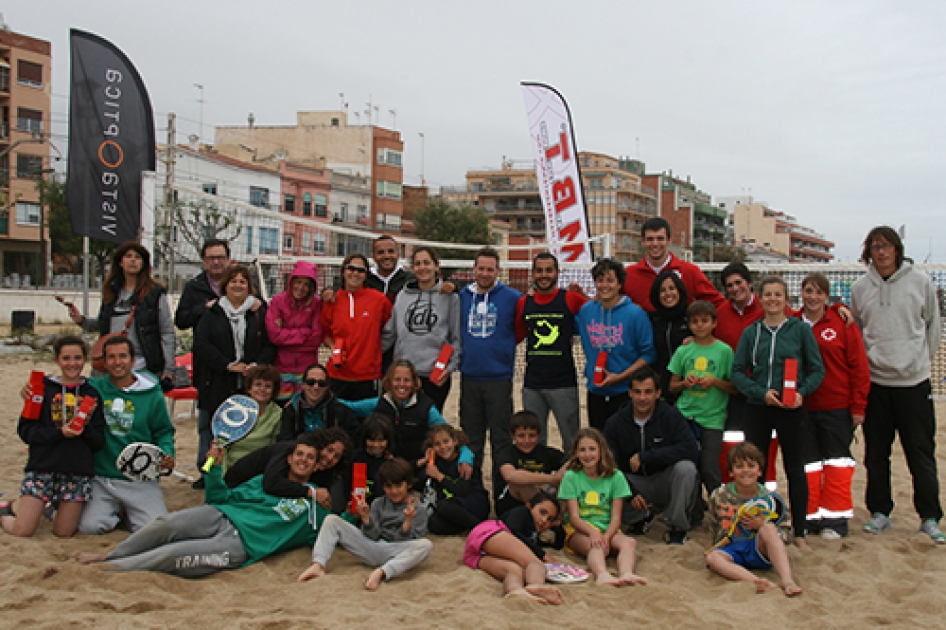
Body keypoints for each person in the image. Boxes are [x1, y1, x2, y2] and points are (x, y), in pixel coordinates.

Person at [71, 436, 330, 577]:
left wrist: (359, 515)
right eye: (299, 455)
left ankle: (110, 570)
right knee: (167, 524)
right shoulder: (264, 480)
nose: (303, 461)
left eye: (310, 458)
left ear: (317, 466)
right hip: (223, 514)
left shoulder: (316, 508)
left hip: (242, 545)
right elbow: (219, 499)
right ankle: (110, 555)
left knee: (174, 554)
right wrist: (214, 470)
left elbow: (336, 530)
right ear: (289, 458)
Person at [850, 226, 944, 543]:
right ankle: (880, 513)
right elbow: (858, 332)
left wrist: (920, 361)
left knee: (921, 452)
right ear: (868, 251)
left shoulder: (920, 282)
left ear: (897, 249)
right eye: (875, 246)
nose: (881, 251)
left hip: (914, 382)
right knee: (876, 453)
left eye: (886, 245)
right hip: (877, 382)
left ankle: (929, 517)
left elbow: (933, 325)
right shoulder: (861, 287)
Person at [731, 276, 825, 548]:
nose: (772, 299)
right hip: (759, 409)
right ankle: (755, 525)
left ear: (786, 299)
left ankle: (799, 532)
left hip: (791, 410)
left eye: (778, 295)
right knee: (754, 469)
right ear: (760, 298)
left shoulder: (799, 330)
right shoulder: (752, 332)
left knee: (796, 469)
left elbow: (817, 369)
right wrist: (760, 393)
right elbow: (738, 372)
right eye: (768, 294)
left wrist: (801, 393)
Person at [1, 337, 106, 537]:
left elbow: (99, 442)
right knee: (23, 530)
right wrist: (60, 433)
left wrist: (84, 428)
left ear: (85, 360)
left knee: (64, 532)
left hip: (76, 472)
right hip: (42, 468)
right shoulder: (41, 388)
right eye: (66, 358)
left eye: (77, 358)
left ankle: (49, 508)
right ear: (57, 360)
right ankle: (3, 512)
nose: (72, 363)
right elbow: (26, 432)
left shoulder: (92, 394)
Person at [795, 272, 869, 539]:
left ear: (826, 296)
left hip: (836, 406)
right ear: (801, 293)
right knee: (809, 464)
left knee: (836, 462)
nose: (812, 297)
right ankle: (812, 518)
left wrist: (858, 407)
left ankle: (835, 521)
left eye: (818, 292)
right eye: (808, 291)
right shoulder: (793, 322)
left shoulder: (842, 323)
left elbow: (859, 367)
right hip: (802, 407)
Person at [78, 336, 177, 535]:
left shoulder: (151, 393)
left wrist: (167, 453)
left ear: (133, 360)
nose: (117, 362)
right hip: (103, 478)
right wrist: (32, 392)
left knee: (153, 529)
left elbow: (163, 431)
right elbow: (62, 388)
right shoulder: (94, 389)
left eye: (123, 356)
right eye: (111, 357)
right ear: (104, 363)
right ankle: (119, 511)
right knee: (90, 527)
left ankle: (128, 511)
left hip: (139, 478)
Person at [298, 458, 434, 590]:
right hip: (372, 546)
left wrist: (407, 522)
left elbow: (406, 542)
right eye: (388, 486)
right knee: (332, 520)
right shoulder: (378, 503)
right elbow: (372, 536)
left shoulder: (419, 509)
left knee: (426, 545)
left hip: (396, 552)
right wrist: (366, 519)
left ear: (408, 484)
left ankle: (382, 572)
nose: (394, 491)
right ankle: (318, 565)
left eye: (398, 486)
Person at [603, 366, 701, 544]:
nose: (642, 398)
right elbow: (608, 463)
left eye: (648, 392)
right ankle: (640, 517)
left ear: (658, 393)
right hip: (633, 483)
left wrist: (647, 456)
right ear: (630, 393)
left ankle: (677, 526)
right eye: (637, 392)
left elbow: (691, 449)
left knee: (686, 469)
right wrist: (630, 492)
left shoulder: (671, 416)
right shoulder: (615, 423)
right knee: (605, 478)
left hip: (663, 481)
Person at [338, 359, 474, 477]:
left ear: (414, 383)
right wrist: (324, 394)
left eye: (407, 380)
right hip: (386, 467)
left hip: (417, 468)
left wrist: (466, 459)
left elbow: (452, 436)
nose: (401, 385)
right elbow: (349, 407)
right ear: (389, 381)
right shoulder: (379, 403)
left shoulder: (426, 408)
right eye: (397, 379)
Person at [69, 241, 175, 382]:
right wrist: (82, 320)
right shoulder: (112, 291)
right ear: (120, 262)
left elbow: (166, 332)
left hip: (143, 364)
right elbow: (104, 325)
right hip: (112, 363)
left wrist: (168, 369)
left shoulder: (155, 294)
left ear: (143, 263)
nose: (133, 260)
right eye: (128, 256)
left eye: (137, 257)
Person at [705, 442, 801, 597]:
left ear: (759, 471)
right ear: (731, 472)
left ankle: (787, 580)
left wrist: (760, 526)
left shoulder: (771, 499)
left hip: (759, 549)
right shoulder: (719, 495)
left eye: (751, 466)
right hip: (732, 549)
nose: (745, 471)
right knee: (713, 558)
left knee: (768, 528)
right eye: (739, 466)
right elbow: (714, 526)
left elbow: (786, 535)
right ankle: (757, 581)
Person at [174, 238, 233, 487]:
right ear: (203, 261)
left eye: (220, 257)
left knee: (234, 420)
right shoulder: (194, 287)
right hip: (207, 365)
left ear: (228, 259)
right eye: (211, 258)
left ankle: (230, 470)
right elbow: (181, 319)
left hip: (235, 365)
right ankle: (206, 470)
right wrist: (204, 308)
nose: (216, 262)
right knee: (207, 422)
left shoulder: (240, 283)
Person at [193, 265, 276, 442]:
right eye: (233, 281)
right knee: (212, 433)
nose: (237, 285)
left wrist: (255, 366)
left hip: (249, 381)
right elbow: (201, 344)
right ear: (225, 285)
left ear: (249, 286)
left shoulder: (259, 312)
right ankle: (208, 467)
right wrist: (227, 365)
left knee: (245, 432)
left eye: (242, 282)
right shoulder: (213, 312)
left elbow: (270, 344)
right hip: (217, 380)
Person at [458, 246, 522, 475]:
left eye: (490, 269)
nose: (485, 273)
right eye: (481, 268)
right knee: (471, 438)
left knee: (501, 439)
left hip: (499, 378)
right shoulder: (461, 297)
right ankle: (473, 492)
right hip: (469, 377)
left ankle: (501, 495)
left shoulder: (513, 298)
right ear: (474, 269)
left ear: (498, 271)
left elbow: (523, 327)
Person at [514, 252, 587, 450]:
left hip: (564, 383)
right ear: (533, 274)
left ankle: (570, 480)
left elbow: (598, 312)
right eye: (539, 270)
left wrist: (584, 295)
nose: (544, 275)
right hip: (532, 384)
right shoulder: (524, 303)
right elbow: (515, 337)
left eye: (548, 270)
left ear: (557, 273)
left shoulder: (571, 299)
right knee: (534, 442)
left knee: (571, 440)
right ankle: (539, 480)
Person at [558, 427, 647, 587]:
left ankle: (626, 572)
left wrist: (606, 537)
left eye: (592, 449)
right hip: (580, 530)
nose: (587, 455)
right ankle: (602, 574)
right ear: (576, 453)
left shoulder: (615, 476)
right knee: (596, 546)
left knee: (629, 543)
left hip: (607, 528)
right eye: (582, 450)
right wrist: (594, 534)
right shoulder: (571, 476)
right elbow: (574, 517)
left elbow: (616, 517)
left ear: (601, 450)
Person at [576, 258, 656, 430]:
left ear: (620, 283)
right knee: (599, 443)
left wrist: (620, 377)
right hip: (595, 391)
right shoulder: (586, 311)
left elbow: (648, 354)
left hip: (624, 392)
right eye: (600, 280)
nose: (605, 285)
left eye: (610, 280)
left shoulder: (635, 314)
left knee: (622, 446)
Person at [668, 301, 737, 495]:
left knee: (709, 468)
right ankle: (695, 511)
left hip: (713, 418)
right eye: (695, 321)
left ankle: (719, 507)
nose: (700, 325)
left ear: (714, 323)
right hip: (685, 415)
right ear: (689, 325)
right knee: (689, 467)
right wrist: (685, 383)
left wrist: (715, 382)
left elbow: (734, 387)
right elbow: (672, 386)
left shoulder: (724, 351)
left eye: (705, 320)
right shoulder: (683, 350)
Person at [382, 247, 461, 411]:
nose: (422, 267)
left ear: (436, 266)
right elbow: (390, 334)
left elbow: (456, 337)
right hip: (405, 374)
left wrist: (450, 367)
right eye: (417, 263)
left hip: (435, 375)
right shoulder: (402, 296)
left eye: (427, 262)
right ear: (412, 268)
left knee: (430, 427)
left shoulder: (450, 297)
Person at [463, 490, 565, 604]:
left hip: (474, 555)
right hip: (490, 531)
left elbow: (557, 544)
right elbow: (513, 529)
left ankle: (515, 590)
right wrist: (543, 555)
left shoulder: (531, 537)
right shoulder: (523, 512)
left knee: (513, 570)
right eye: (542, 512)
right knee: (535, 562)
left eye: (550, 519)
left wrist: (558, 526)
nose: (544, 520)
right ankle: (536, 585)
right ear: (529, 506)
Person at [224, 427, 352, 514]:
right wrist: (309, 492)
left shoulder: (325, 472)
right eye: (329, 450)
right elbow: (271, 484)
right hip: (237, 488)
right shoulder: (290, 450)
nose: (330, 458)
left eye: (336, 457)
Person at [321, 252, 393, 401]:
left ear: (366, 275)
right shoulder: (332, 300)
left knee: (366, 423)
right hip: (337, 375)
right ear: (343, 271)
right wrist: (334, 347)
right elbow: (325, 333)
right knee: (337, 421)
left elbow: (390, 328)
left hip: (368, 376)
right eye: (351, 268)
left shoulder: (379, 300)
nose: (355, 273)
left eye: (360, 270)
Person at [621, 217, 724, 313]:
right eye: (650, 239)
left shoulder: (689, 271)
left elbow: (718, 304)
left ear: (669, 240)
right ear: (643, 241)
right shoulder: (628, 275)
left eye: (660, 238)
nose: (655, 244)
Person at [266, 260, 323, 402]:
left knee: (305, 407)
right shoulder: (277, 301)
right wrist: (305, 332)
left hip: (306, 369)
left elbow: (316, 339)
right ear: (291, 282)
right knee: (281, 409)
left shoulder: (317, 304)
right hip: (281, 367)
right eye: (298, 282)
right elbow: (274, 336)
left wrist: (285, 335)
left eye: (306, 285)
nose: (301, 288)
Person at [494, 411, 566, 517]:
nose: (526, 441)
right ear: (512, 435)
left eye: (532, 436)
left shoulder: (546, 453)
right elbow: (510, 476)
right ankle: (550, 518)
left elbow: (572, 462)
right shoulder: (506, 453)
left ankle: (558, 519)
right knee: (523, 483)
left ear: (539, 435)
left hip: (544, 500)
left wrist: (559, 479)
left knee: (568, 479)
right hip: (511, 505)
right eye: (521, 436)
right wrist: (551, 479)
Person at [422, 425, 490, 535]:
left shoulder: (464, 463)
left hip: (473, 502)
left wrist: (439, 476)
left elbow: (463, 490)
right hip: (453, 505)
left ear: (455, 441)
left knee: (444, 506)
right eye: (437, 444)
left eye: (446, 441)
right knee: (434, 523)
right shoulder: (436, 462)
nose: (443, 447)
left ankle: (480, 528)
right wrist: (425, 461)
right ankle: (465, 526)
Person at [277, 363, 359, 443]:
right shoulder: (291, 410)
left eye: (321, 383)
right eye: (310, 382)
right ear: (303, 384)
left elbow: (352, 440)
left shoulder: (342, 411)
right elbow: (284, 441)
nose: (316, 387)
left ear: (327, 386)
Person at [222, 365, 283, 471]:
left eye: (268, 386)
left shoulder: (278, 414)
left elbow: (275, 447)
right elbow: (223, 445)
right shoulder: (234, 410)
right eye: (258, 385)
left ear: (273, 391)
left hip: (260, 469)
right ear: (249, 389)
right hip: (233, 466)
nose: (262, 389)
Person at [649, 270, 692, 403]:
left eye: (672, 288)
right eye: (662, 290)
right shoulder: (651, 319)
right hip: (660, 391)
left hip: (688, 390)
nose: (668, 293)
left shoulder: (692, 317)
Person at [351, 414, 395, 505]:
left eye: (381, 440)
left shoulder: (391, 462)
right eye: (371, 440)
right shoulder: (353, 458)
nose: (376, 445)